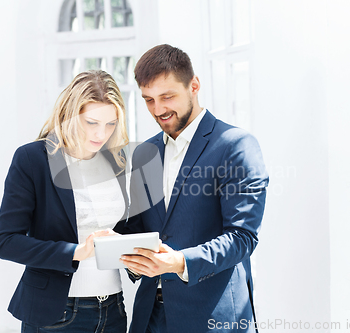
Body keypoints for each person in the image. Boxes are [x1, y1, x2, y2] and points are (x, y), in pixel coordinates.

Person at [120, 44, 269, 333]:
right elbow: (140, 226)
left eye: (167, 97)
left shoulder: (236, 146)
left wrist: (179, 262)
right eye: (149, 100)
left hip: (213, 318)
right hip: (149, 318)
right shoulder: (144, 153)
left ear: (194, 85)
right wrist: (121, 249)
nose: (158, 109)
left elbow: (242, 238)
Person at [0, 70, 130, 333]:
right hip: (57, 314)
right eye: (91, 122)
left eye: (111, 124)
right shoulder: (33, 159)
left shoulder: (117, 159)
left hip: (113, 309)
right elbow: (7, 242)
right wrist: (75, 252)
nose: (101, 134)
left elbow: (123, 226)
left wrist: (135, 248)